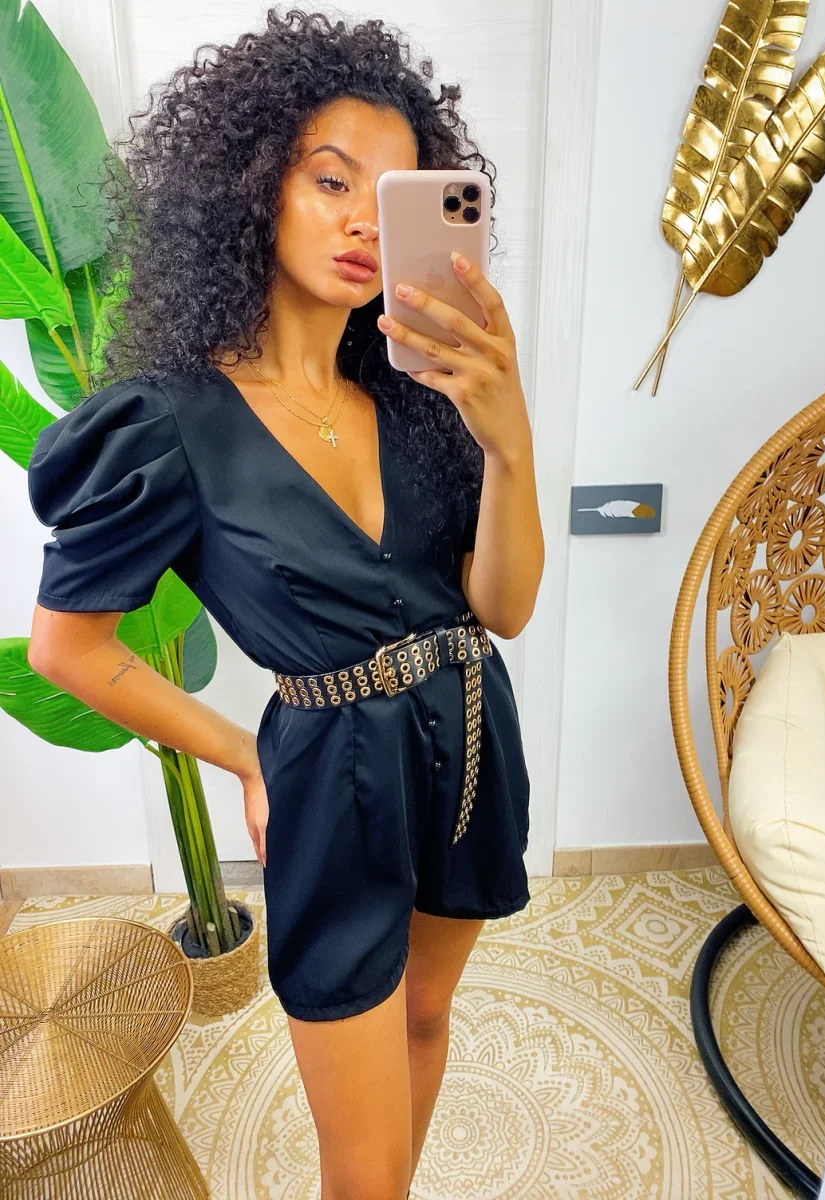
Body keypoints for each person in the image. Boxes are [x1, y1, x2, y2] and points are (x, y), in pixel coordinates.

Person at [26, 9, 543, 1199]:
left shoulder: (421, 398)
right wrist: (249, 757)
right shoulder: (169, 424)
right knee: (357, 1158)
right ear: (252, 185)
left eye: (393, 197)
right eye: (330, 180)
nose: (365, 222)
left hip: (470, 735)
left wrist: (509, 443)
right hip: (333, 779)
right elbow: (69, 649)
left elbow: (504, 610)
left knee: (425, 1018)